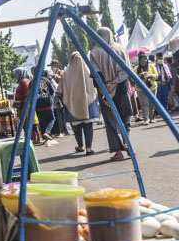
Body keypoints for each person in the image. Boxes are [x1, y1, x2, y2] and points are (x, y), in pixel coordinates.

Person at [89, 27, 133, 162]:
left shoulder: (94, 52)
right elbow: (127, 70)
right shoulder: (120, 48)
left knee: (110, 121)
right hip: (122, 87)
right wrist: (115, 82)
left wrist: (106, 88)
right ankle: (128, 145)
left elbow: (96, 75)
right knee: (125, 117)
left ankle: (118, 152)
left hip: (105, 89)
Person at [57, 51, 99, 155]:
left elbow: (59, 90)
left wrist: (57, 101)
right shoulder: (88, 71)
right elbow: (95, 86)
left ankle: (80, 146)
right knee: (88, 126)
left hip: (72, 103)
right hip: (87, 102)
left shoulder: (65, 73)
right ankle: (89, 148)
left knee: (76, 127)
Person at [12, 67, 42, 144]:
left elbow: (28, 96)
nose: (15, 76)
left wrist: (20, 102)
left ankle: (35, 139)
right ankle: (33, 140)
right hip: (24, 107)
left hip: (26, 107)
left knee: (31, 124)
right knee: (28, 124)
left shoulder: (24, 82)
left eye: (16, 74)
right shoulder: (22, 82)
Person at [32, 67, 57, 142]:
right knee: (52, 119)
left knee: (42, 122)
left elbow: (29, 94)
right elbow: (52, 92)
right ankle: (47, 132)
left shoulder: (32, 82)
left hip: (37, 105)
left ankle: (45, 137)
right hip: (47, 104)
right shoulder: (46, 80)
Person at [135, 52, 158, 124]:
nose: (143, 61)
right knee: (144, 103)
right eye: (142, 60)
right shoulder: (136, 68)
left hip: (152, 88)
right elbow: (132, 78)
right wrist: (140, 76)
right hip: (141, 89)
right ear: (139, 61)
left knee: (152, 103)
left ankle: (151, 118)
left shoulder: (151, 66)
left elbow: (156, 75)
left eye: (145, 60)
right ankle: (146, 119)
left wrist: (150, 75)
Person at [154, 52, 172, 119]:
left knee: (165, 99)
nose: (161, 59)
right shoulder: (154, 66)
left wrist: (169, 77)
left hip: (165, 84)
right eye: (159, 58)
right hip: (158, 84)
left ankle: (165, 113)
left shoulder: (165, 66)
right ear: (157, 58)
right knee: (158, 99)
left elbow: (170, 75)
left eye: (162, 58)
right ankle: (158, 113)